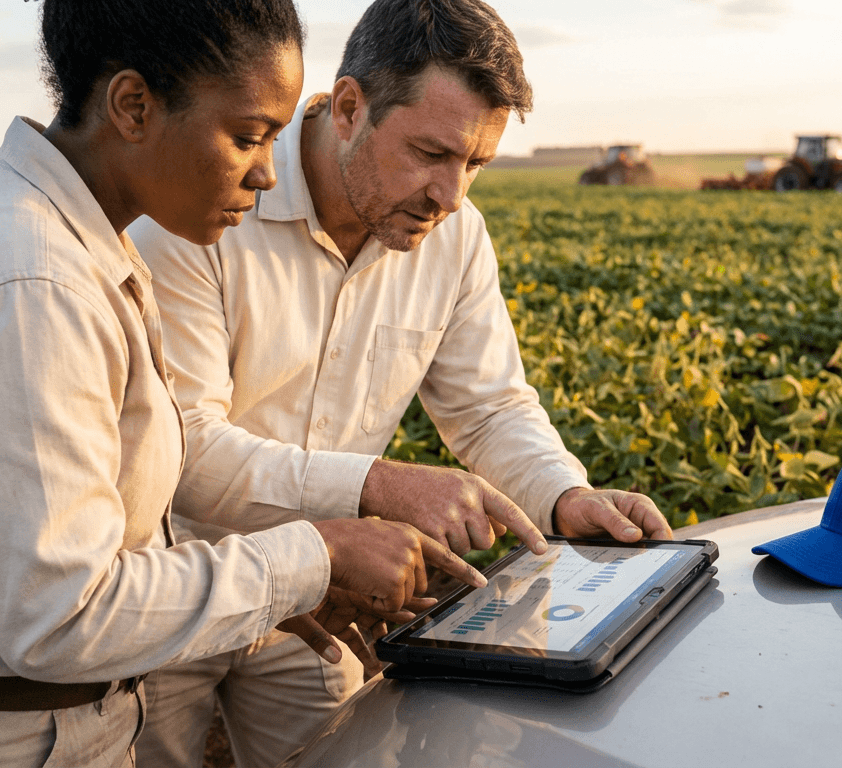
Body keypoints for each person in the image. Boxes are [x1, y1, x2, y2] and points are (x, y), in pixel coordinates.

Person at [0, 1, 483, 765]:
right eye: (248, 136)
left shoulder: (73, 244)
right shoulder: (28, 284)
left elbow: (102, 538)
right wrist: (313, 557)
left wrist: (281, 589)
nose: (267, 173)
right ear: (134, 106)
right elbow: (59, 615)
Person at [126, 0, 675, 764]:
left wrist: (563, 496)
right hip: (172, 582)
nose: (451, 195)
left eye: (475, 164)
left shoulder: (456, 237)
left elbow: (488, 407)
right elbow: (184, 447)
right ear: (349, 108)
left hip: (329, 593)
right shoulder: (205, 209)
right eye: (430, 152)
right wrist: (379, 487)